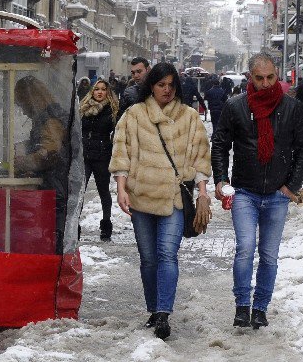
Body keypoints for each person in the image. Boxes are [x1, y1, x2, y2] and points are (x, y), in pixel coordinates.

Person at [109, 62, 211, 340]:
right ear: (150, 86)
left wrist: (202, 192)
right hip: (141, 197)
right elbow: (122, 154)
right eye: (160, 84)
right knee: (148, 258)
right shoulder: (134, 115)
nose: (166, 90)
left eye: (171, 85)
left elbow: (200, 158)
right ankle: (153, 309)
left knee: (167, 254)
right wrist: (121, 189)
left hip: (173, 198)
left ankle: (164, 313)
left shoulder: (189, 117)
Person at [212, 53, 303, 329]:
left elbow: (302, 148)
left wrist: (291, 185)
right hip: (244, 191)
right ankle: (242, 305)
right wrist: (220, 178)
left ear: (276, 76)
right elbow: (220, 144)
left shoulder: (293, 107)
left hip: (278, 194)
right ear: (250, 77)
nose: (266, 84)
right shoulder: (235, 107)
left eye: (270, 78)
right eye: (259, 78)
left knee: (269, 254)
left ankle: (260, 308)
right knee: (245, 248)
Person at [80, 79, 119, 241]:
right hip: (84, 154)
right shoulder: (83, 108)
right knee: (80, 191)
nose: (100, 92)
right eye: (97, 89)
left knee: (103, 191)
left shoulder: (112, 110)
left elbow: (117, 134)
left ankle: (106, 225)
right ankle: (74, 225)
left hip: (102, 155)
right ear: (92, 91)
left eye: (103, 89)